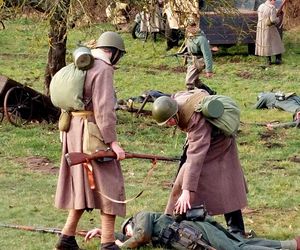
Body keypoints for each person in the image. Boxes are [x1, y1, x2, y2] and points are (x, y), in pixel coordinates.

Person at [54, 31, 127, 250]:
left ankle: (66, 238)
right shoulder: (103, 69)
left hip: (72, 131)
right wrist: (113, 142)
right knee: (111, 184)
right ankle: (107, 243)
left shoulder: (83, 65)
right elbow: (104, 110)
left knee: (82, 185)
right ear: (112, 52)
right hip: (91, 133)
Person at [151, 89, 248, 236]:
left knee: (225, 182)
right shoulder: (176, 100)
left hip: (220, 140)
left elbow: (196, 156)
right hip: (208, 136)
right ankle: (176, 220)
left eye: (169, 120)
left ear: (174, 113)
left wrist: (186, 190)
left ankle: (236, 229)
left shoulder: (195, 118)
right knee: (188, 173)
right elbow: (200, 90)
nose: (169, 124)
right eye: (166, 123)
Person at [85, 210, 300, 250]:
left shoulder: (142, 218)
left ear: (131, 223)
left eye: (127, 231)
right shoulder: (141, 226)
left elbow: (140, 236)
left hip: (198, 230)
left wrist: (121, 248)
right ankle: (291, 245)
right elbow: (129, 237)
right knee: (240, 244)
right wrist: (104, 233)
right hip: (196, 232)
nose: (129, 235)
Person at [184, 16, 214, 91]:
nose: (192, 28)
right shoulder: (189, 37)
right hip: (191, 61)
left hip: (198, 62)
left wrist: (209, 70)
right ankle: (210, 92)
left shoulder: (201, 39)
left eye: (194, 26)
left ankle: (191, 98)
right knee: (196, 81)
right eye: (190, 26)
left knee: (189, 81)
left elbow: (207, 55)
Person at [255, 0, 285, 65]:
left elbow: (265, 14)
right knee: (276, 42)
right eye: (274, 0)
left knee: (265, 43)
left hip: (261, 27)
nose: (275, 2)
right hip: (269, 27)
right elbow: (273, 20)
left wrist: (276, 12)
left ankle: (268, 60)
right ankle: (278, 59)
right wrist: (279, 18)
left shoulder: (261, 6)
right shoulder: (272, 7)